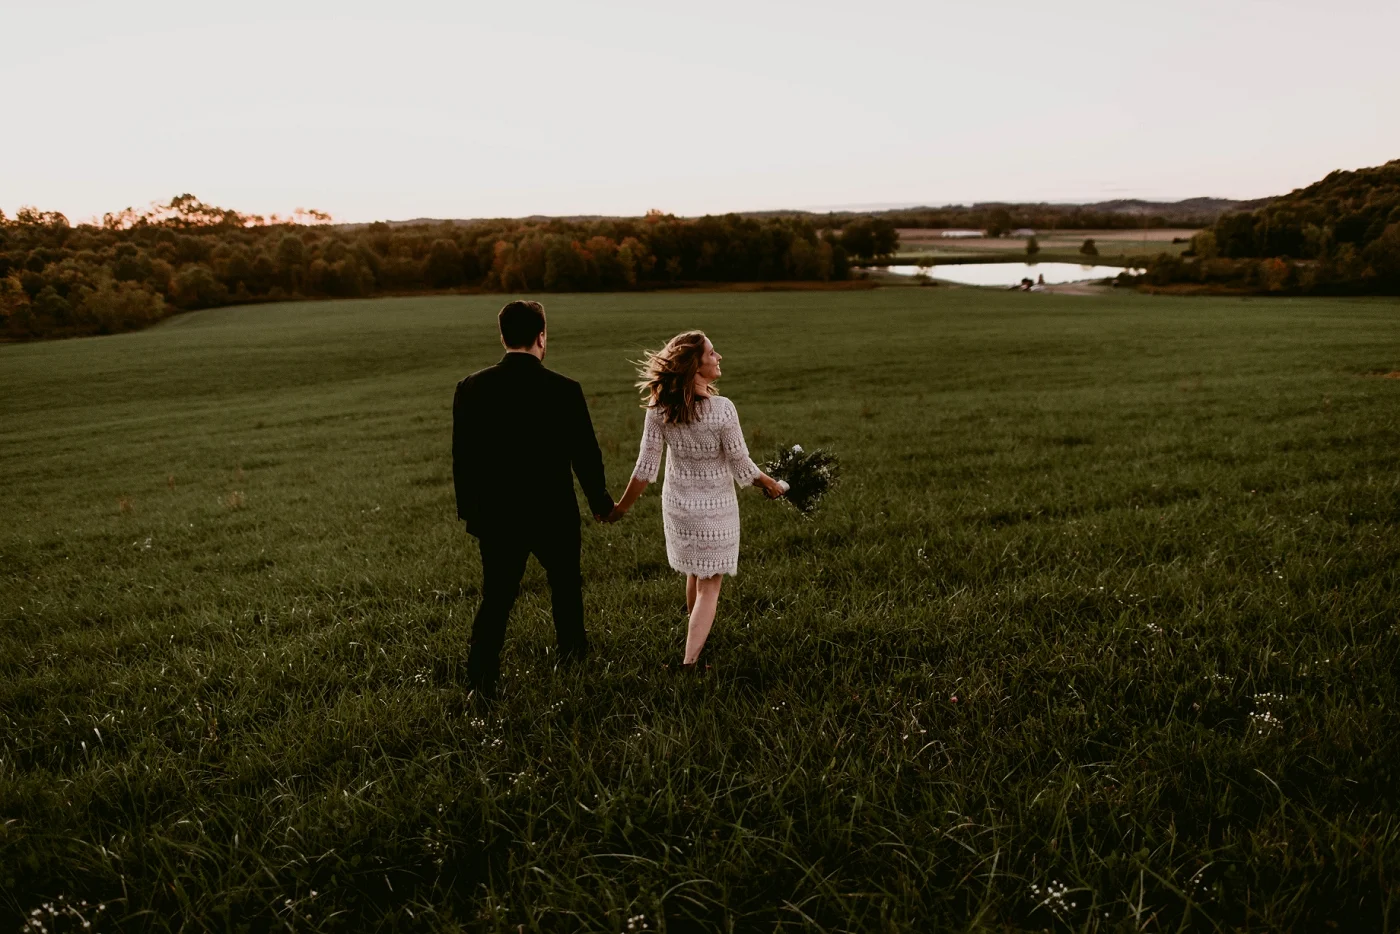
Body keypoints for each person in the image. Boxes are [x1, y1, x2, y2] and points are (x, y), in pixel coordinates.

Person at [452, 300, 614, 700]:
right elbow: (585, 454)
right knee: (566, 590)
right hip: (553, 512)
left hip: (497, 516)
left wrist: (471, 512)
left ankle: (481, 681)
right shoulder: (565, 389)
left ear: (503, 336)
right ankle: (574, 664)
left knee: (497, 598)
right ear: (541, 336)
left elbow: (464, 457)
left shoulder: (471, 387)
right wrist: (600, 501)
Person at [608, 331, 784, 668]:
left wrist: (620, 509)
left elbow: (644, 468)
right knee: (710, 585)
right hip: (715, 511)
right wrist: (771, 484)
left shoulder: (660, 408)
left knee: (694, 572)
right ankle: (689, 663)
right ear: (696, 365)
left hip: (679, 510)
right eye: (712, 354)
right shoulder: (722, 410)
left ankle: (696, 641)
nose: (719, 358)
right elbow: (742, 466)